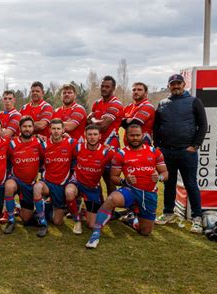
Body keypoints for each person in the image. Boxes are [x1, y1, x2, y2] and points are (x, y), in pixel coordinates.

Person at [85, 124, 168, 249]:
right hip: (131, 190)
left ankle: (130, 219)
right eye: (132, 135)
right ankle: (95, 235)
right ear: (126, 137)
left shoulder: (154, 152)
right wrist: (125, 181)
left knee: (145, 231)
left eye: (137, 135)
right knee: (112, 199)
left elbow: (165, 173)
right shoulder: (121, 154)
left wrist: (159, 178)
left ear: (142, 136)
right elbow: (114, 177)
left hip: (149, 194)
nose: (135, 138)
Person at [153, 74, 208, 233]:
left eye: (179, 84)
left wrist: (195, 145)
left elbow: (203, 125)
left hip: (186, 152)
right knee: (168, 183)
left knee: (190, 184)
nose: (176, 86)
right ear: (169, 86)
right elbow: (156, 127)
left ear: (184, 85)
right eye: (173, 84)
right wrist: (157, 146)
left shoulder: (194, 101)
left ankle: (197, 218)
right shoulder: (163, 103)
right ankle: (168, 213)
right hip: (167, 151)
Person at [65, 125, 114, 232]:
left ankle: (84, 211)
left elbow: (121, 161)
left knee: (92, 225)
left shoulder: (107, 152)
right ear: (85, 135)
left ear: (100, 136)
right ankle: (77, 220)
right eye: (90, 134)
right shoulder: (78, 147)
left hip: (92, 188)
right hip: (77, 182)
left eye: (95, 134)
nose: (92, 137)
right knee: (69, 192)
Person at [33, 118, 76, 237]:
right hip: (47, 183)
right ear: (50, 130)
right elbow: (39, 161)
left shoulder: (71, 143)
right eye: (53, 129)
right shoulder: (44, 146)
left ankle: (48, 207)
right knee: (37, 187)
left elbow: (86, 149)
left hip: (62, 185)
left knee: (57, 222)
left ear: (63, 130)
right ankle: (42, 222)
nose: (56, 131)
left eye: (58, 129)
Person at [3, 116, 43, 234]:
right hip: (16, 180)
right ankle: (10, 220)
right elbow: (6, 160)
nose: (27, 129)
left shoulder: (39, 142)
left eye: (30, 126)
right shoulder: (12, 144)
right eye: (24, 126)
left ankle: (16, 207)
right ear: (20, 128)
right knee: (9, 186)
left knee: (27, 219)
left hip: (30, 184)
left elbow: (43, 159)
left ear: (33, 128)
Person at [87, 76, 123, 195]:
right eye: (102, 86)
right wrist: (93, 120)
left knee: (109, 179)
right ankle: (98, 207)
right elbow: (89, 121)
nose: (104, 88)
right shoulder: (97, 103)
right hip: (96, 145)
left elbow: (102, 126)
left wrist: (92, 118)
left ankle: (110, 212)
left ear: (113, 88)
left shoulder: (116, 104)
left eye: (107, 86)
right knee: (93, 179)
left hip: (110, 146)